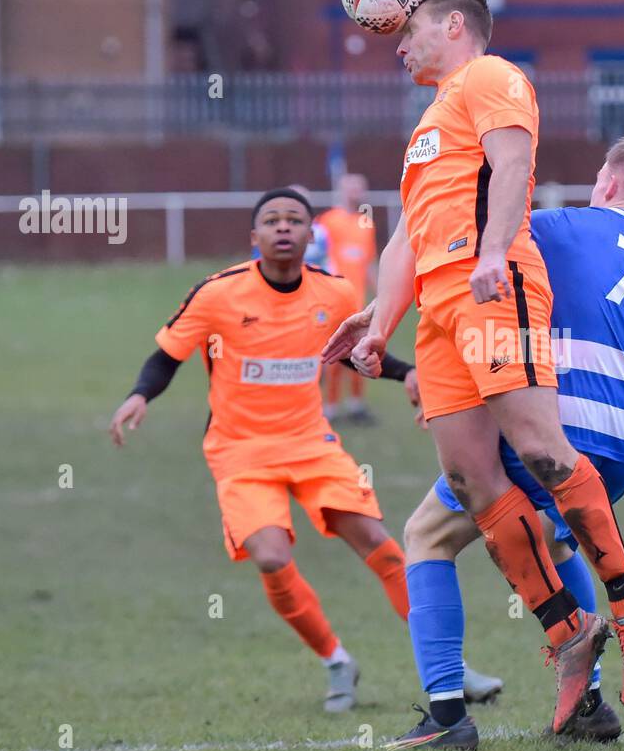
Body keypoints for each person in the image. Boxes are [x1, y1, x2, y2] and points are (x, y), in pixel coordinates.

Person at [326, 0, 624, 741]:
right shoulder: (426, 126)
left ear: (455, 26)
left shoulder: (491, 77)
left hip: (490, 285)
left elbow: (513, 165)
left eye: (410, 29)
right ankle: (567, 632)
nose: (398, 43)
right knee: (471, 483)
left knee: (544, 454)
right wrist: (379, 325)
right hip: (440, 312)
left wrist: (491, 253)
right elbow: (405, 239)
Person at [336, 139, 624, 749]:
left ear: (607, 184)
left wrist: (378, 317)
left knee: (428, 535)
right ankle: (588, 705)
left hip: (551, 426)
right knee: (556, 543)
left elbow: (457, 268)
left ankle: (447, 714)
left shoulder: (551, 228)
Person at [108, 187, 416, 713]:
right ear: (254, 237)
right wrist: (140, 395)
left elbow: (353, 353)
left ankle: (445, 665)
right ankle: (336, 661)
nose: (283, 227)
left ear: (308, 234)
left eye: (294, 219)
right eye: (271, 220)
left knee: (383, 546)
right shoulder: (218, 293)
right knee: (272, 557)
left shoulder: (336, 293)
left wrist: (407, 373)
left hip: (312, 444)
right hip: (240, 450)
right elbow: (167, 355)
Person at [316, 174, 379, 425]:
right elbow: (315, 258)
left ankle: (356, 405)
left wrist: (381, 292)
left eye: (359, 187)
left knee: (362, 350)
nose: (356, 192)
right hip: (332, 298)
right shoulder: (327, 221)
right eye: (351, 186)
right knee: (335, 352)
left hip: (359, 301)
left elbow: (369, 262)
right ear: (341, 189)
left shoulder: (366, 222)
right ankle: (330, 408)